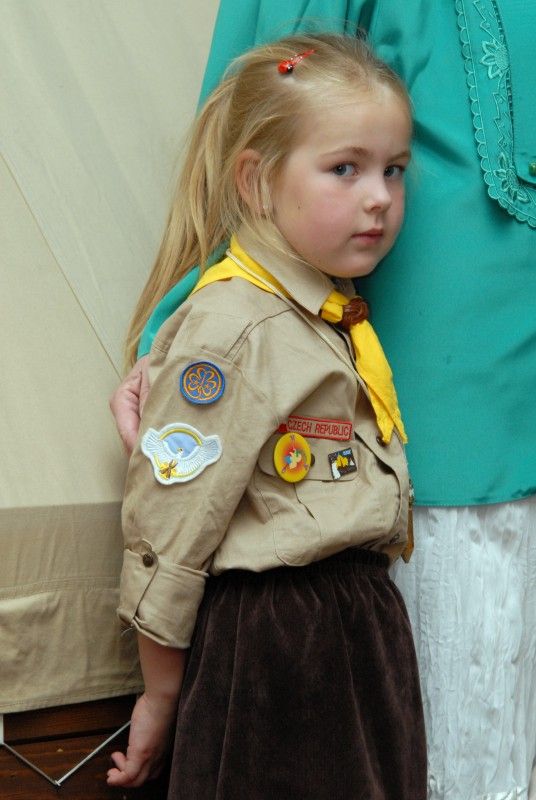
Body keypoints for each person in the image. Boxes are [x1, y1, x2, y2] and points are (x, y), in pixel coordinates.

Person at [110, 4, 536, 799]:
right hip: (275, 646)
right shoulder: (232, 331)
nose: (379, 198)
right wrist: (162, 689)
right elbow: (169, 524)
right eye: (346, 169)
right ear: (256, 179)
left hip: (365, 635)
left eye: (395, 170)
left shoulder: (340, 318)